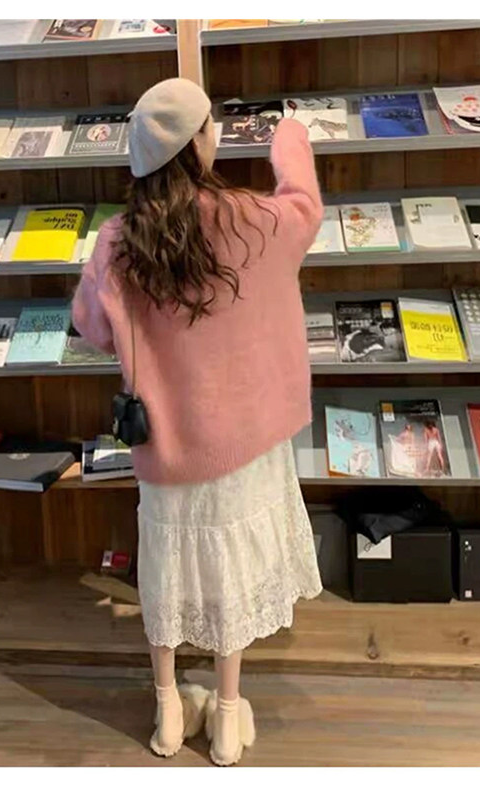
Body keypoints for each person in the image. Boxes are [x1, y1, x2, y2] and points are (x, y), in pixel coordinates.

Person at [72, 77, 324, 766]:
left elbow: (91, 326)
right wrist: (289, 139)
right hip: (245, 445)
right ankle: (228, 719)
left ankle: (167, 711)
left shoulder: (117, 242)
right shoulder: (251, 220)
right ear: (199, 141)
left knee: (166, 574)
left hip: (167, 446)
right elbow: (304, 209)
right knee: (229, 576)